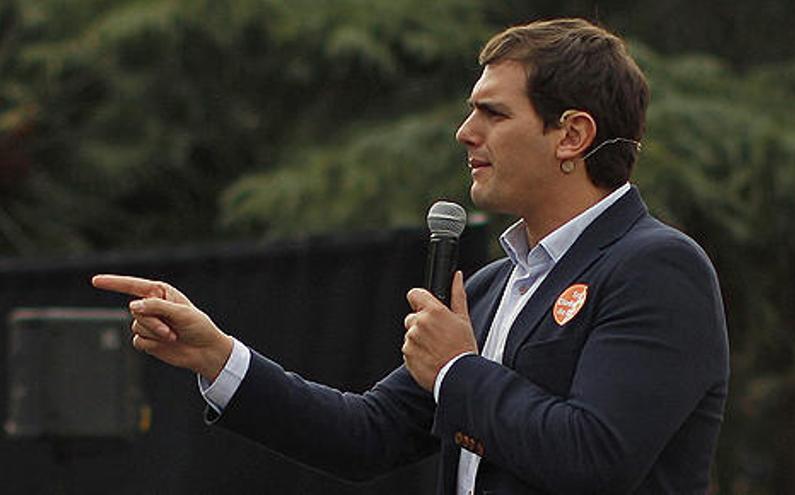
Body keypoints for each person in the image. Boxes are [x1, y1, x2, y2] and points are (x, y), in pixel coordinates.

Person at [93, 17, 729, 494]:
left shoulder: (655, 267)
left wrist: (456, 370)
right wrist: (219, 356)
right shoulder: (489, 287)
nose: (466, 132)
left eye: (493, 113)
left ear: (572, 135)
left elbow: (597, 457)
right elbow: (366, 435)